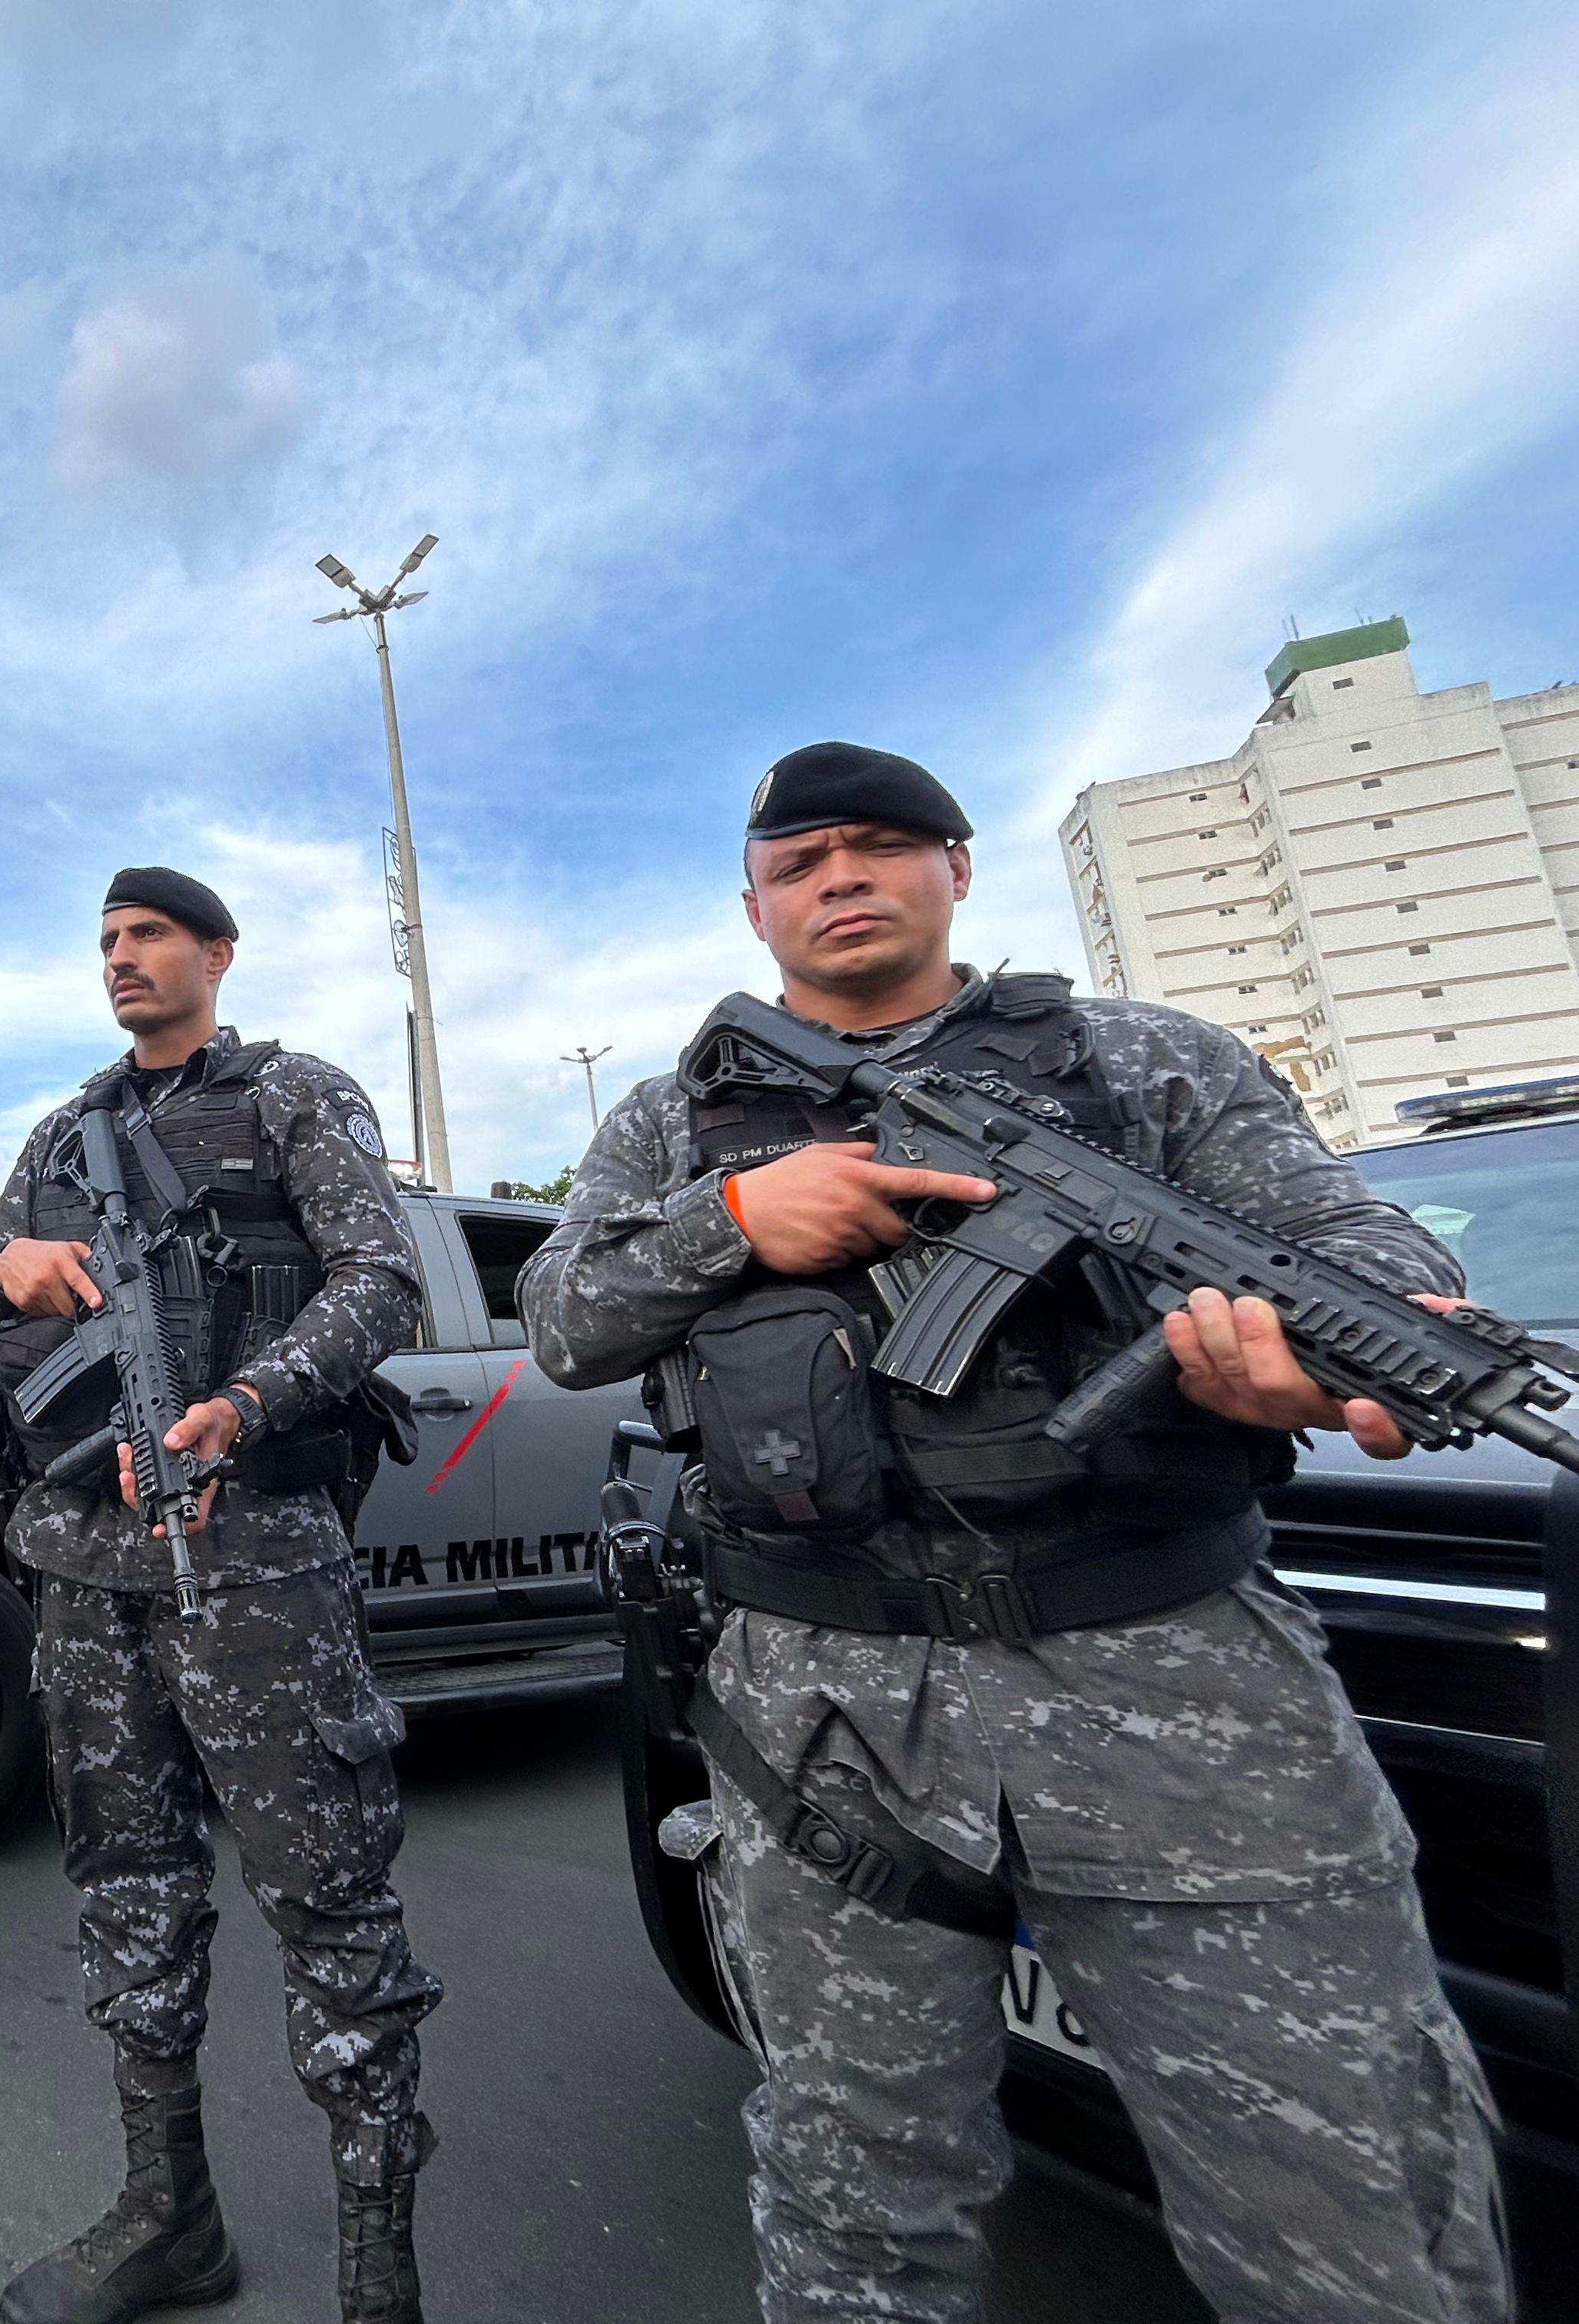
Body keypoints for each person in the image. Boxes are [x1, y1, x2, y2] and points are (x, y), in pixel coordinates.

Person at [522, 742, 1508, 2324]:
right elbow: (561, 1318)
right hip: (825, 1713)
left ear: (957, 870)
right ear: (756, 906)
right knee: (854, 2209)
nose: (841, 877)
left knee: (1344, 2217)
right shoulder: (671, 1117)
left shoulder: (1145, 1062)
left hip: (1176, 1692)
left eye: (882, 845)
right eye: (800, 862)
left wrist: (1350, 1343)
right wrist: (737, 1219)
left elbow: (1345, 1236)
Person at [0, 869, 440, 2324]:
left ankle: (379, 2257)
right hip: (81, 1568)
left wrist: (246, 1397)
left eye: (149, 934)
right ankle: (168, 2211)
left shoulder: (293, 1092)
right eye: (104, 939)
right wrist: (5, 1266)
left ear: (215, 954)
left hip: (257, 1562)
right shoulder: (61, 1129)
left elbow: (378, 1281)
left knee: (330, 1901)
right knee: (127, 1888)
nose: (121, 957)